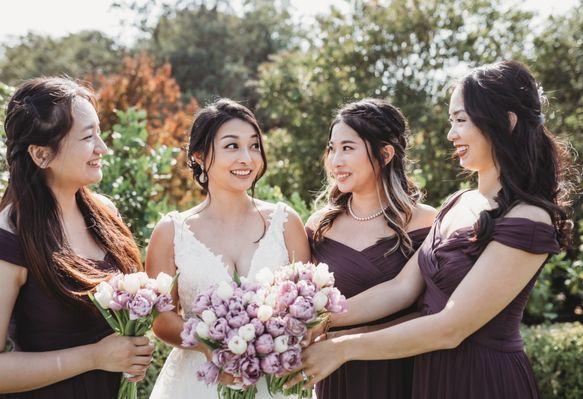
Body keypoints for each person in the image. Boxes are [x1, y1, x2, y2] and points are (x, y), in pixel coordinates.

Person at [293, 60, 575, 399]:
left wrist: (343, 349)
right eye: (450, 121)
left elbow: (450, 327)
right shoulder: (457, 203)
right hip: (429, 377)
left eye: (460, 120)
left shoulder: (528, 219)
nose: (450, 133)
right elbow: (401, 289)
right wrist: (319, 322)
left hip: (483, 381)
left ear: (507, 122)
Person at [0, 77, 154, 398]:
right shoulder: (10, 234)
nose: (103, 148)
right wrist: (95, 357)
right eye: (88, 137)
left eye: (99, 132)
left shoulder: (105, 213)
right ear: (41, 155)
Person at [146, 99, 311, 398]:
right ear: (199, 156)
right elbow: (161, 319)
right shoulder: (172, 232)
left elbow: (307, 307)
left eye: (254, 146)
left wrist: (276, 340)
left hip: (274, 382)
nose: (247, 158)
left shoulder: (286, 223)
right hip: (199, 383)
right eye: (232, 146)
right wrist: (208, 343)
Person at [305, 99, 436, 398]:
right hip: (337, 378)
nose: (335, 160)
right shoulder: (319, 226)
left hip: (404, 369)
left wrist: (339, 332)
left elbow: (433, 311)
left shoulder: (427, 221)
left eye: (348, 148)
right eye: (332, 148)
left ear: (385, 154)